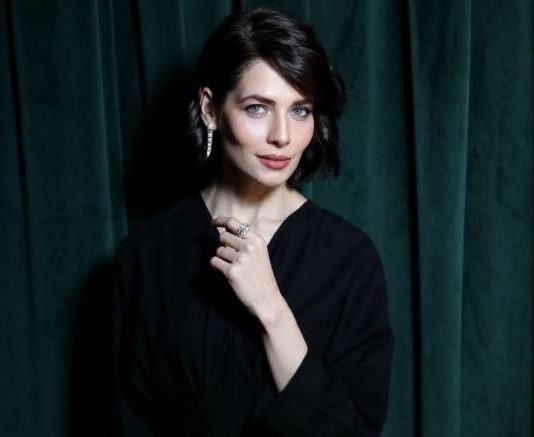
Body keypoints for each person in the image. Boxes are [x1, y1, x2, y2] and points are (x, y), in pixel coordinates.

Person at [111, 5, 393, 436]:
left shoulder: (350, 259)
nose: (282, 135)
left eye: (300, 110)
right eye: (258, 108)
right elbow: (129, 417)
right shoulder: (147, 254)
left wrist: (271, 309)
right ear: (210, 108)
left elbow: (352, 429)